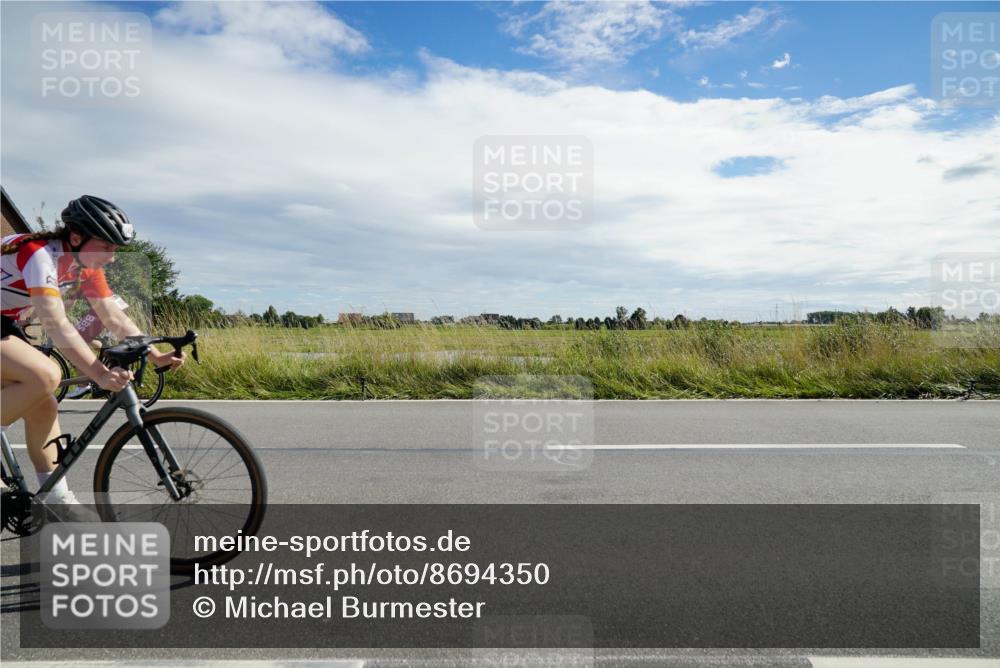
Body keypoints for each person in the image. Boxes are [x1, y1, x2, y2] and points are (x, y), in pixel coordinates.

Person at [1, 195, 185, 507]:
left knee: (44, 404)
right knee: (45, 375)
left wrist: (154, 354)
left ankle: (56, 500)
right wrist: (99, 373)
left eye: (117, 250)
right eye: (107, 247)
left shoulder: (81, 265)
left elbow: (112, 316)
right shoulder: (39, 255)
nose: (112, 258)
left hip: (5, 322)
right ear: (76, 237)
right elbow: (56, 324)